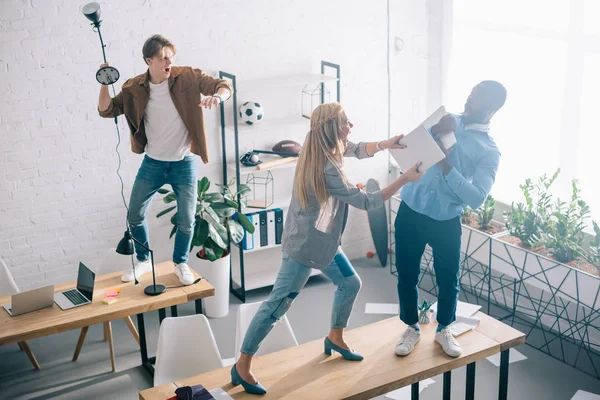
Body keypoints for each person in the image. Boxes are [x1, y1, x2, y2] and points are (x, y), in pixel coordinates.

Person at [231, 102, 424, 394]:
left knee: (350, 282)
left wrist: (387, 144)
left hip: (322, 240)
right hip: (306, 247)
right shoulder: (327, 167)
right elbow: (367, 202)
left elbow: (355, 148)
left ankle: (335, 336)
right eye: (345, 122)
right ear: (332, 128)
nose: (351, 126)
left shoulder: (318, 143)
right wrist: (404, 179)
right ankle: (242, 364)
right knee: (277, 306)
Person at [97, 34, 233, 285]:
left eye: (170, 57)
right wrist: (104, 81)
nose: (168, 62)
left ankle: (181, 263)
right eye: (161, 59)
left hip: (183, 164)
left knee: (187, 220)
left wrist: (219, 97)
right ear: (149, 61)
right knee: (135, 215)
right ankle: (143, 260)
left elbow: (223, 85)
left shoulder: (188, 77)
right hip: (153, 164)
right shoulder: (133, 88)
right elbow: (106, 110)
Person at [394, 80, 507, 358]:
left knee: (448, 278)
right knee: (406, 273)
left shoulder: (489, 151)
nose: (469, 100)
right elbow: (408, 150)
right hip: (411, 207)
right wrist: (433, 132)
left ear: (491, 109)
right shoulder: (446, 120)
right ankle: (411, 326)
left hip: (446, 219)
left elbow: (476, 197)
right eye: (471, 93)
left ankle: (444, 328)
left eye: (477, 98)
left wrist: (445, 162)